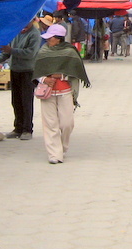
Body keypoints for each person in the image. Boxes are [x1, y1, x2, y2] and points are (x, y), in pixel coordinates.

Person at [32, 24, 91, 164]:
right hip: (47, 93)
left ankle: (62, 148)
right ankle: (54, 154)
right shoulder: (43, 51)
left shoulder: (70, 52)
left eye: (50, 38)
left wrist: (61, 76)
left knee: (67, 124)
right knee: (50, 124)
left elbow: (76, 72)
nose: (47, 40)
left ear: (58, 39)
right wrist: (44, 79)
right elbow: (36, 70)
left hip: (65, 92)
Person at [0, 20, 42, 140]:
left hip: (28, 71)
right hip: (15, 70)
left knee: (26, 101)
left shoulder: (34, 34)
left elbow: (30, 53)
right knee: (16, 101)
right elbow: (6, 52)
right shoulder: (16, 32)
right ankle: (18, 128)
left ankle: (27, 129)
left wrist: (11, 51)